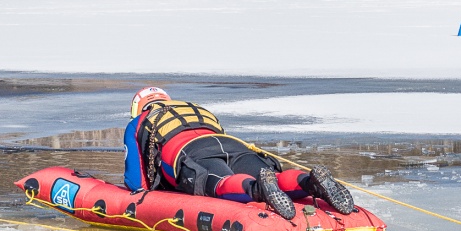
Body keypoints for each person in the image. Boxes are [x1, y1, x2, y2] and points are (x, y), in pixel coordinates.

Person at [123, 87, 354, 220]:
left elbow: (136, 182)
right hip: (232, 146)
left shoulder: (139, 122)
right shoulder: (194, 107)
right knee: (263, 173)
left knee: (221, 183)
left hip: (192, 153)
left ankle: (258, 189)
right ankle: (310, 182)